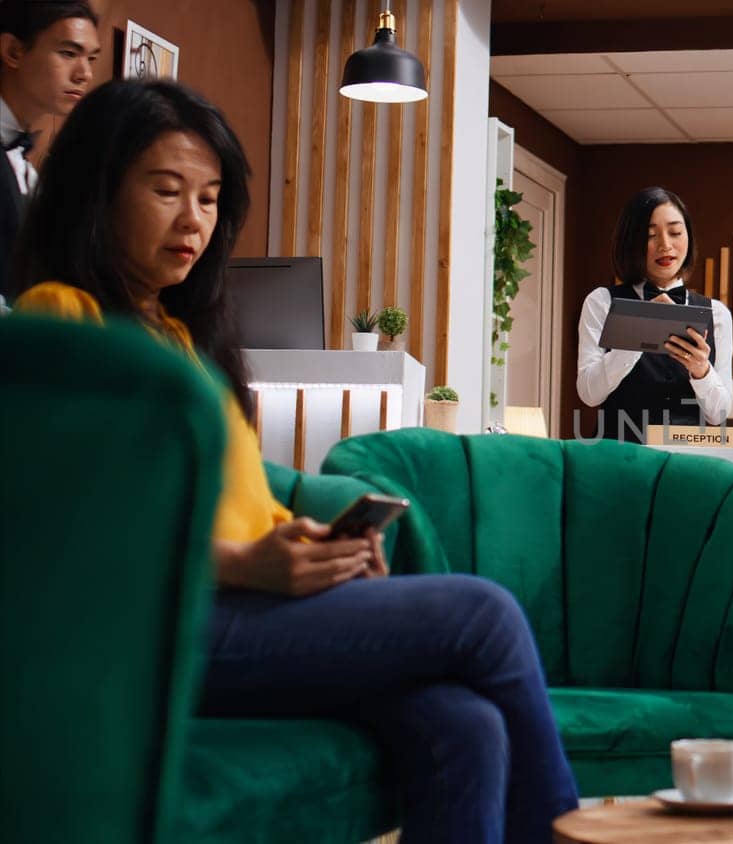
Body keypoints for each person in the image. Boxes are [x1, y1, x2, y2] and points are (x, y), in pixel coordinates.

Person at [14, 80, 578, 844]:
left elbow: (245, 507)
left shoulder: (183, 339)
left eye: (210, 199)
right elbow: (70, 537)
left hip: (248, 610)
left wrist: (321, 548)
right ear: (97, 193)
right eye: (166, 190)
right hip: (174, 625)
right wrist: (244, 564)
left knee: (465, 723)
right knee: (486, 613)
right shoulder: (62, 315)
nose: (194, 221)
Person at [576, 186, 732, 442]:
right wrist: (637, 335)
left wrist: (701, 369)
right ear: (631, 242)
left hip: (686, 461)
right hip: (619, 457)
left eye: (675, 232)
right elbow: (589, 393)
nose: (665, 245)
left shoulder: (717, 314)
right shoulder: (602, 302)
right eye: (650, 235)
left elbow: (720, 413)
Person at [0, 0, 98, 302]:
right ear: (13, 51)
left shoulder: (26, 162)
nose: (85, 74)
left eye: (91, 59)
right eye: (68, 53)